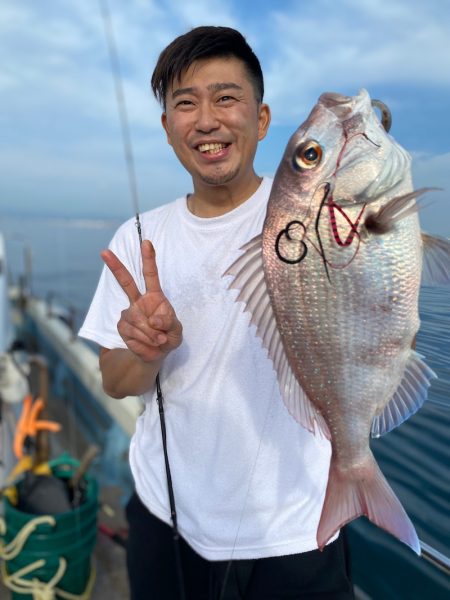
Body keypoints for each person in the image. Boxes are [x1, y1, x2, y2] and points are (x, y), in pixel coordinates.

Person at [79, 25, 354, 600]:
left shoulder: (316, 219)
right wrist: (145, 351)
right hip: (166, 520)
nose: (207, 120)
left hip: (299, 531)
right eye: (186, 103)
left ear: (261, 118)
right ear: (167, 128)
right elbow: (113, 380)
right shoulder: (138, 237)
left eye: (226, 97)